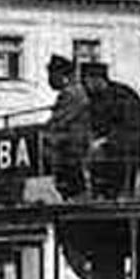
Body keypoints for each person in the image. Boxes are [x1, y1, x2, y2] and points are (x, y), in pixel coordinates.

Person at [82, 62, 140, 198]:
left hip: (126, 150)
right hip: (105, 152)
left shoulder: (123, 95)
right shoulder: (95, 97)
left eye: (87, 81)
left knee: (121, 190)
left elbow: (131, 125)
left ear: (97, 79)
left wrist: (105, 140)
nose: (85, 86)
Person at [46, 54, 92, 198]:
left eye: (52, 74)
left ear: (61, 74)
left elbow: (58, 122)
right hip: (71, 148)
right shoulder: (74, 91)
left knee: (73, 188)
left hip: (71, 149)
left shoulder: (71, 93)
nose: (49, 79)